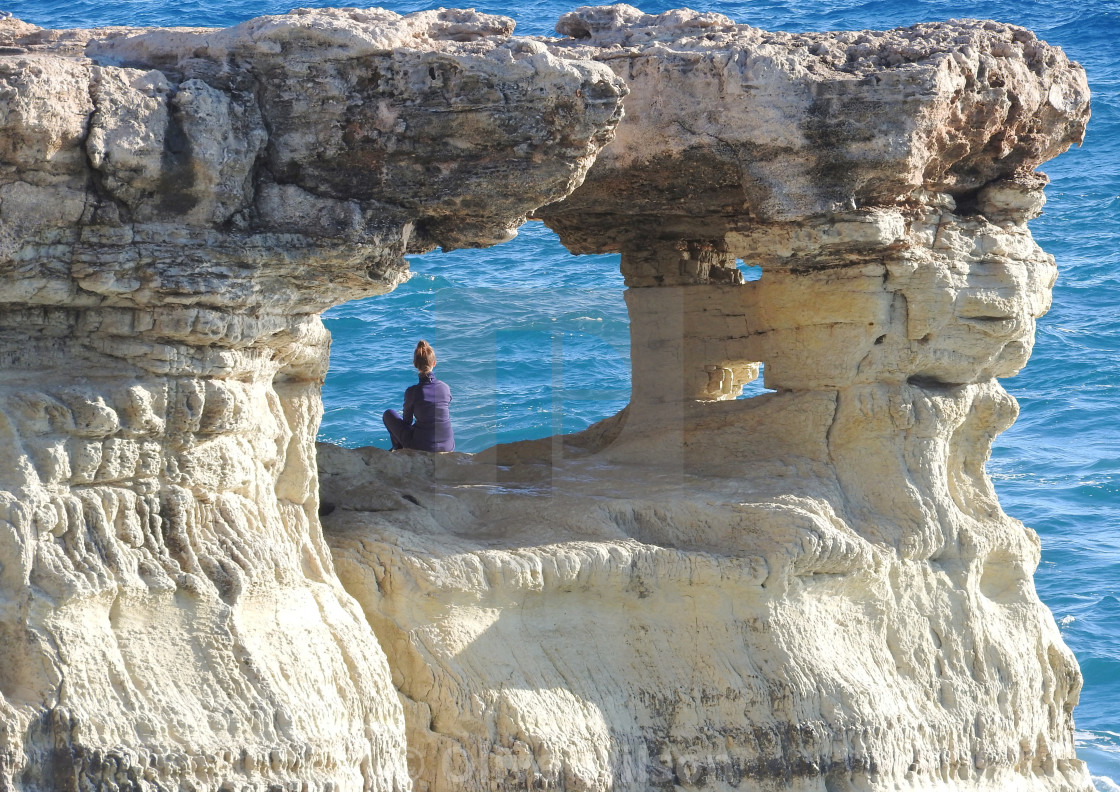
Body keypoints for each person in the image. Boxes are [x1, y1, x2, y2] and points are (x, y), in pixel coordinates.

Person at [382, 340, 455, 452]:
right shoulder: (445, 388)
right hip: (448, 445)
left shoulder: (412, 392)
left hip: (423, 447)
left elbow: (407, 422)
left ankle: (398, 449)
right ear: (434, 363)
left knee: (389, 414)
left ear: (414, 364)